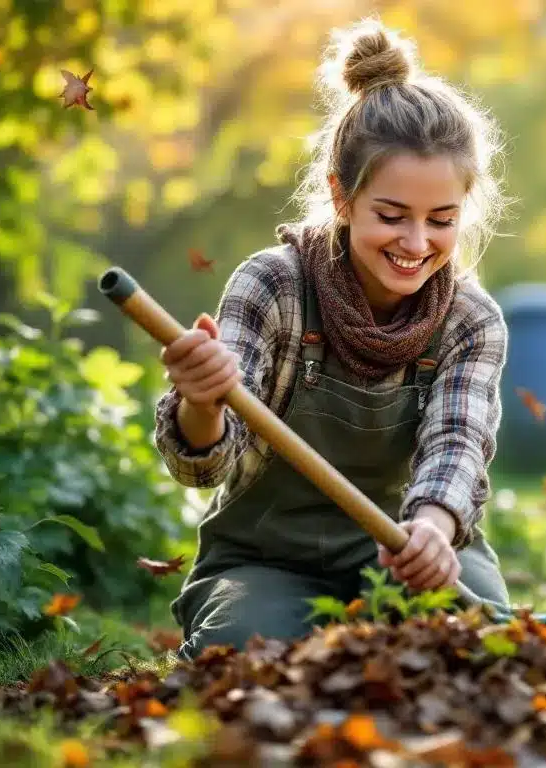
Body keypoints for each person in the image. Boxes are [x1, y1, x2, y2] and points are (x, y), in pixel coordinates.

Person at [151, 18, 512, 661]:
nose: (416, 242)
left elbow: (460, 441)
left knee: (475, 651)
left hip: (410, 549)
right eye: (392, 216)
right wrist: (201, 403)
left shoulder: (470, 320)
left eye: (442, 220)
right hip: (268, 557)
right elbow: (200, 466)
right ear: (341, 198)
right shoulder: (272, 287)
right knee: (239, 656)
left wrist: (433, 528)